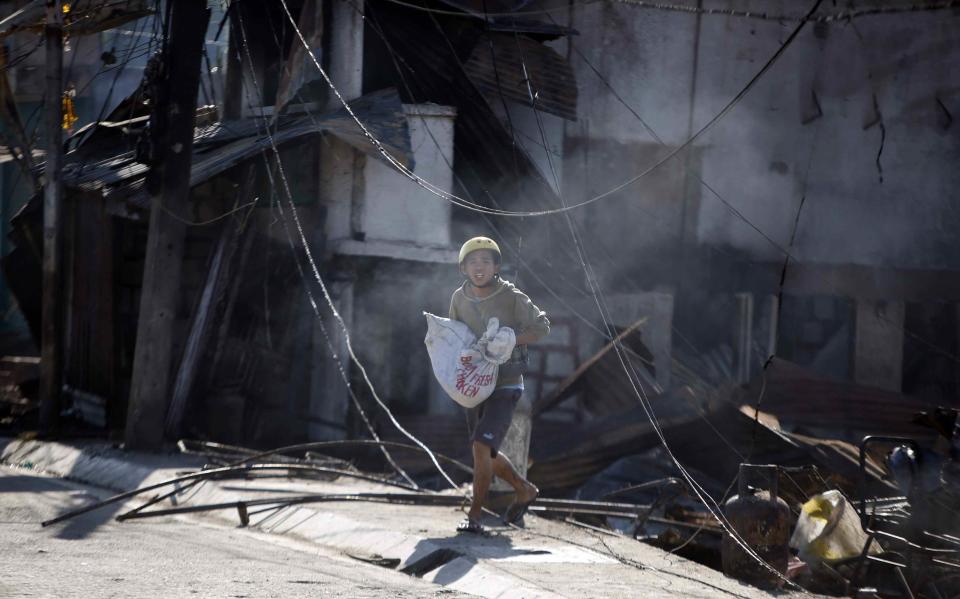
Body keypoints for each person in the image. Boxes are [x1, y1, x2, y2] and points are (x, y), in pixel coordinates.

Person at [448, 236, 550, 534]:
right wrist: (460, 358)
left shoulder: (510, 296)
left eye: (485, 261)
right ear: (464, 268)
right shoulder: (459, 298)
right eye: (473, 262)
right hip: (473, 386)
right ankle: (524, 489)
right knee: (486, 453)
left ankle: (475, 515)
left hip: (505, 383)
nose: (479, 267)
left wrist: (512, 339)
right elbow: (455, 335)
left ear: (496, 267)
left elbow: (542, 326)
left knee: (481, 446)